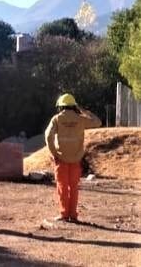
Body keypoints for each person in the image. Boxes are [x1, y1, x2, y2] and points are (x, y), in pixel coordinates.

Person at [45, 93, 101, 223]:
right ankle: (74, 215)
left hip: (61, 159)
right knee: (74, 187)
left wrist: (54, 153)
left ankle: (64, 214)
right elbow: (98, 122)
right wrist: (83, 110)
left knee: (62, 187)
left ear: (60, 106)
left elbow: (48, 136)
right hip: (76, 159)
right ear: (73, 106)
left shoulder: (57, 119)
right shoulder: (81, 119)